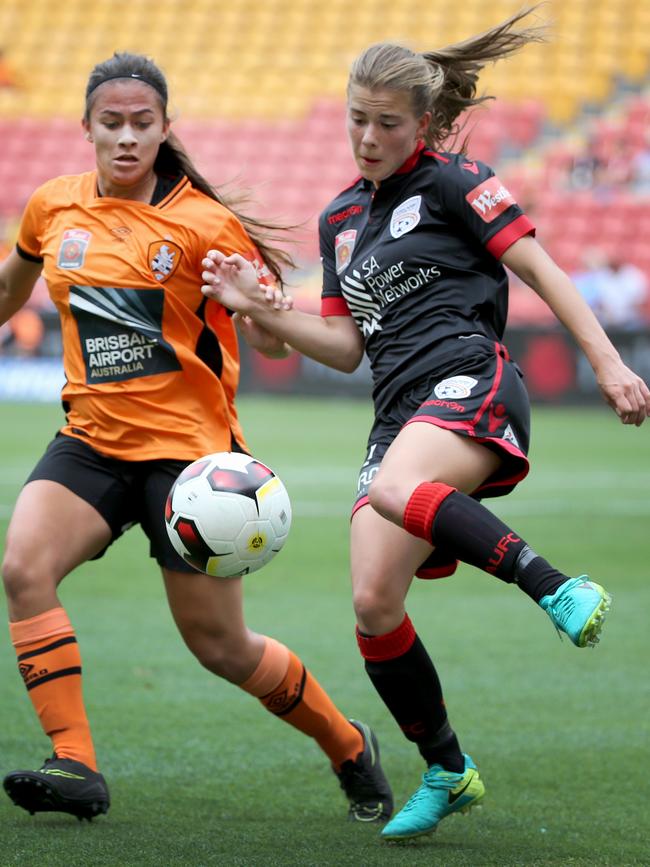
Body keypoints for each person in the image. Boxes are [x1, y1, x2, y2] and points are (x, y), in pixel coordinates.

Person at [200, 7, 650, 843]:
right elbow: (339, 344)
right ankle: (448, 767)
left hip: (469, 377)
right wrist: (260, 309)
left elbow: (539, 266)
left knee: (404, 489)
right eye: (355, 119)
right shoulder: (340, 218)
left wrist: (610, 362)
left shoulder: (454, 180)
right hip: (397, 409)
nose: (366, 136)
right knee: (373, 601)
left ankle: (552, 584)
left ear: (426, 123)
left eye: (386, 122)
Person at [0, 52, 393, 824]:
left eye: (141, 124)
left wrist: (260, 307)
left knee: (222, 648)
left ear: (164, 129)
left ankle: (348, 743)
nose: (125, 138)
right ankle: (76, 761)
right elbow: (9, 292)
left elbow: (273, 342)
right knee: (22, 567)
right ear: (85, 128)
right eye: (110, 124)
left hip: (190, 462)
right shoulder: (52, 209)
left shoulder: (205, 223)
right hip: (91, 440)